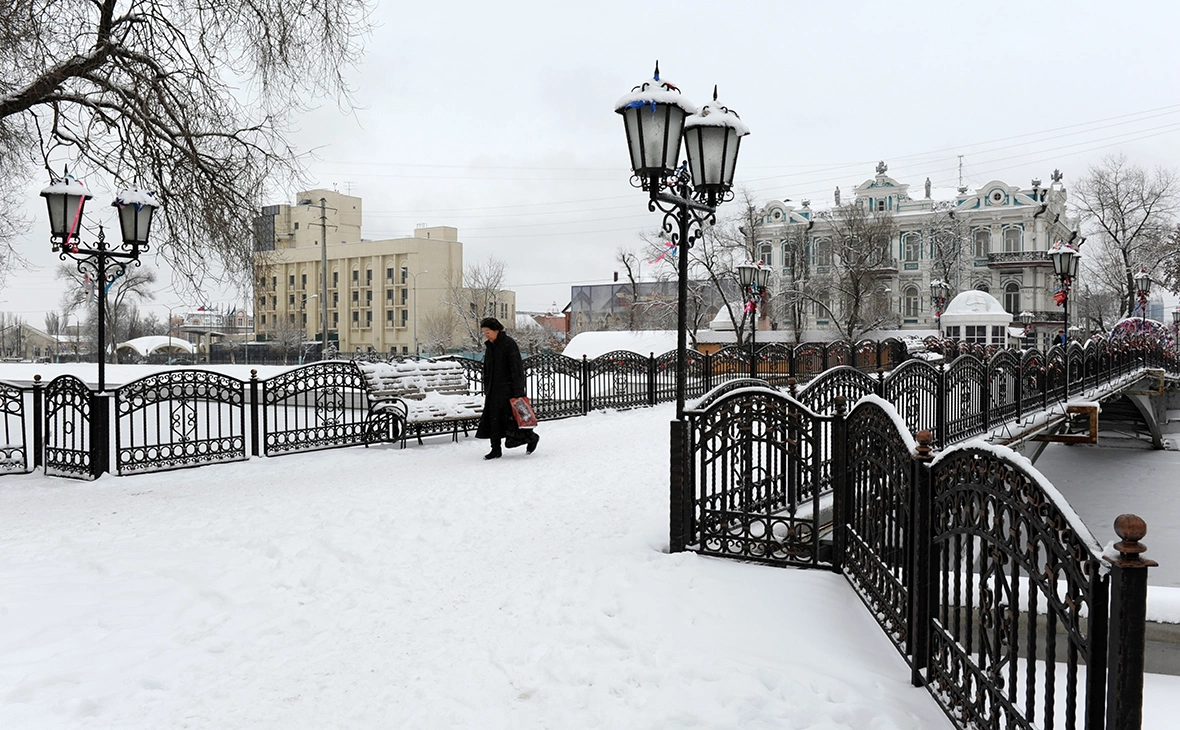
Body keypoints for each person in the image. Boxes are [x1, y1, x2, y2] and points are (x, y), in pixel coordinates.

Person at [475, 317, 539, 460]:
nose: (486, 334)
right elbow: (487, 369)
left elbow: (516, 369)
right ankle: (495, 449)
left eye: (488, 331)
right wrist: (487, 387)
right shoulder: (490, 346)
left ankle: (531, 438)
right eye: (484, 332)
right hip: (493, 391)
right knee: (494, 421)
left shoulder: (509, 344)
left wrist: (518, 391)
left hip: (508, 391)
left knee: (512, 421)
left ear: (497, 330)